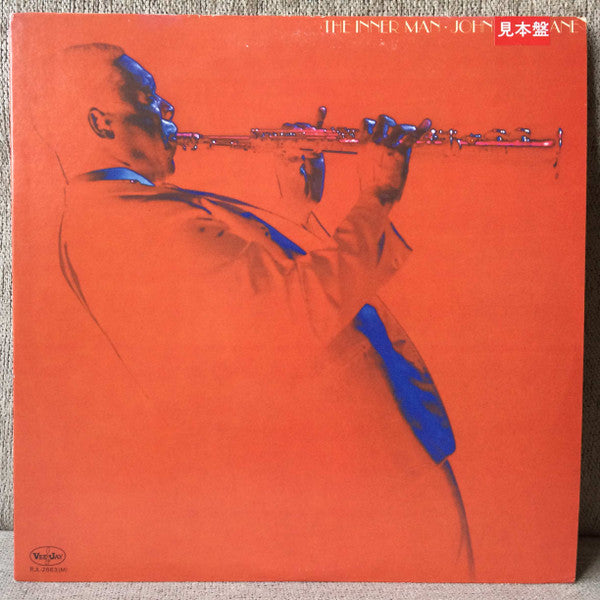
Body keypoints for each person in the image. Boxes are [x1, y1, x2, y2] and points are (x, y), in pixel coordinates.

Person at [49, 43, 474, 579]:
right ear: (100, 122)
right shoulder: (128, 225)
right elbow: (287, 323)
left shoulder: (127, 211)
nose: (167, 109)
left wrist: (297, 211)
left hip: (357, 470)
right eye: (147, 97)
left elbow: (251, 308)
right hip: (359, 478)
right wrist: (378, 198)